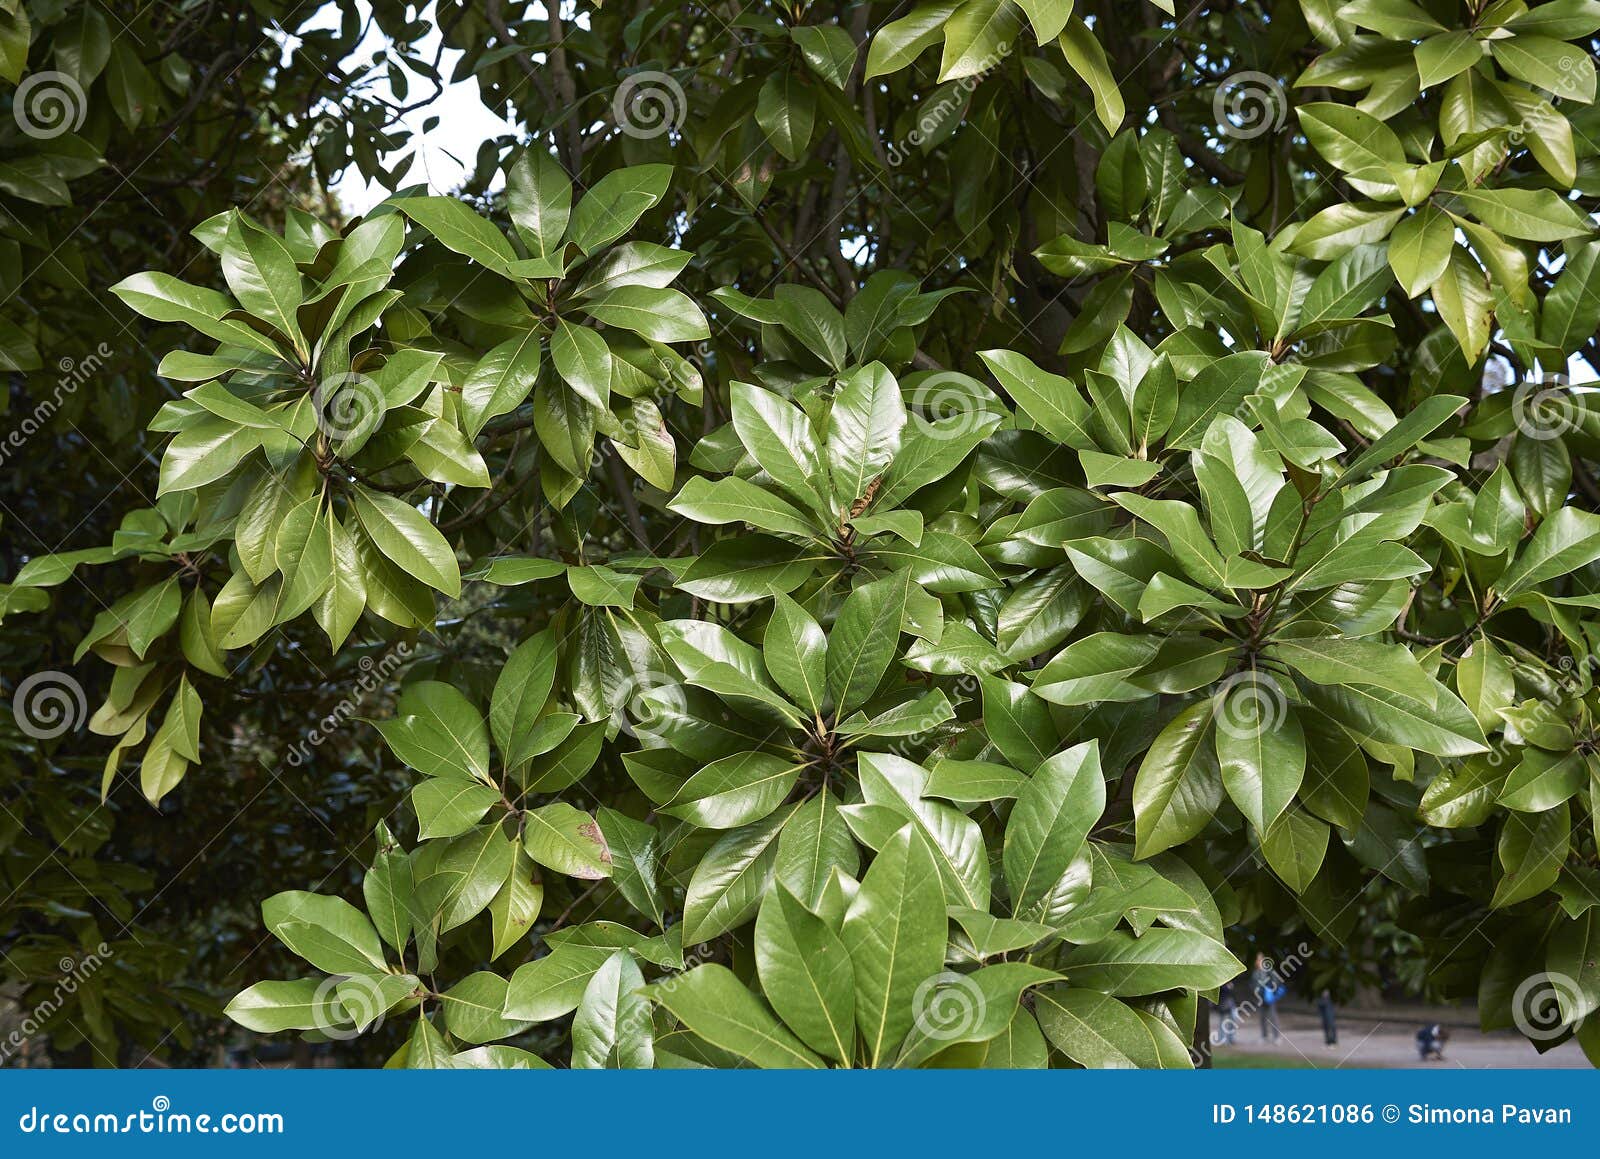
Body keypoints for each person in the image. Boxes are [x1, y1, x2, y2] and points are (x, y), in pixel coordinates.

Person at [1251, 953, 1283, 1042]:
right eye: (1257, 960)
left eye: (1260, 959)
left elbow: (1276, 981)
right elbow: (1253, 984)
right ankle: (1264, 1036)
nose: (1258, 961)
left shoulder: (1269, 971)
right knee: (1262, 1018)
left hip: (1269, 997)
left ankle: (1276, 1037)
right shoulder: (1255, 973)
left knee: (1273, 1017)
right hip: (1260, 998)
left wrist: (1272, 991)